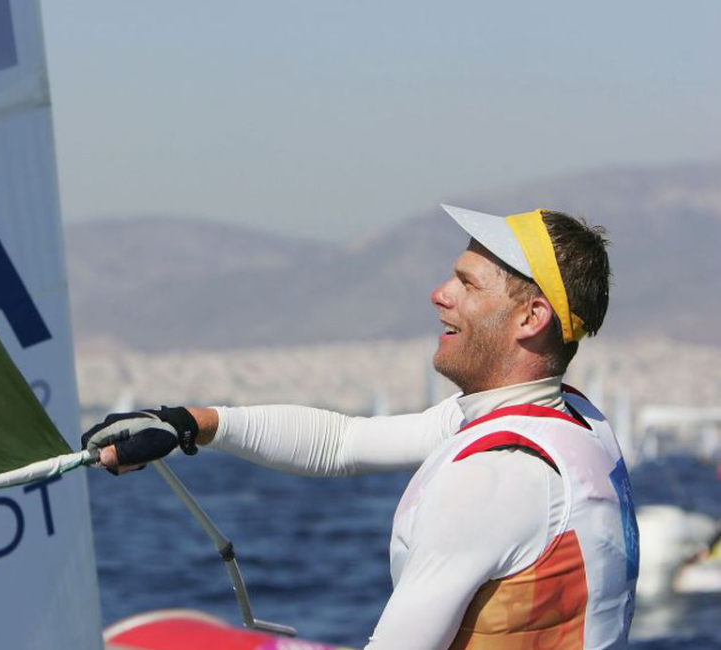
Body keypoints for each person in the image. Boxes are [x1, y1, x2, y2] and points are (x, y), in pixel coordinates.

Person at [83, 205, 639, 649]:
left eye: (467, 284)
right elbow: (342, 442)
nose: (439, 293)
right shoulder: (570, 420)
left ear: (530, 318)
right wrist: (191, 423)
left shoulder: (499, 477)